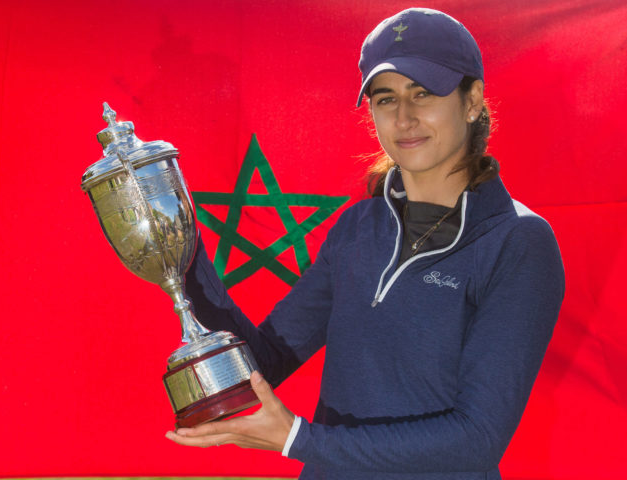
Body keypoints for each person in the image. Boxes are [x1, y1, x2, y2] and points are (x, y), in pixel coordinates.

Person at [166, 7, 565, 480]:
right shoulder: (357, 227)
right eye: (385, 98)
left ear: (473, 100)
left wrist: (298, 438)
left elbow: (476, 440)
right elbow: (262, 364)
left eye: (424, 92)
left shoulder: (517, 241)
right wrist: (179, 249)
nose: (405, 116)